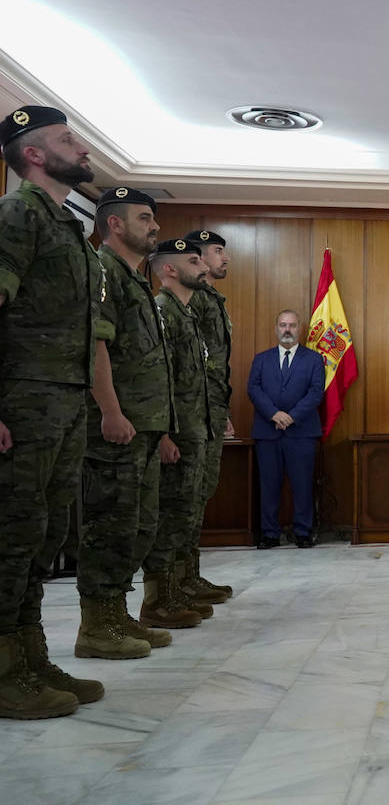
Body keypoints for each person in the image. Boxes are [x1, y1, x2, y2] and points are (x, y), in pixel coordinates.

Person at [0, 105, 105, 719]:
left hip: (62, 403)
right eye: (68, 139)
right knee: (11, 540)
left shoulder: (62, 222)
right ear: (34, 153)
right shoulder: (17, 214)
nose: (83, 147)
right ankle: (7, 670)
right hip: (24, 401)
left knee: (42, 537)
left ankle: (31, 658)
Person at [75, 188, 174, 660]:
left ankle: (116, 616)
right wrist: (111, 411)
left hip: (143, 429)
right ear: (115, 224)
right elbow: (95, 346)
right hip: (116, 428)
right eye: (144, 218)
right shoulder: (104, 272)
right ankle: (96, 627)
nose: (154, 227)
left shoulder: (134, 281)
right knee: (109, 528)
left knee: (136, 527)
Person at [140, 238, 216, 630]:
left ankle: (177, 588)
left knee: (186, 511)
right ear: (169, 269)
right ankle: (159, 599)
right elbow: (160, 377)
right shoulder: (163, 311)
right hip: (176, 431)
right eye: (193, 260)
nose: (203, 266)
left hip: (194, 427)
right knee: (169, 514)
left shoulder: (186, 313)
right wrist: (166, 433)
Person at [247, 310, 324, 549]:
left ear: (299, 328)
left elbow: (315, 392)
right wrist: (274, 414)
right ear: (276, 328)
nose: (287, 330)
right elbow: (254, 389)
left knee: (302, 485)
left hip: (301, 432)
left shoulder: (313, 359)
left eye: (291, 325)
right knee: (269, 485)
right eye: (283, 325)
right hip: (268, 432)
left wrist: (291, 417)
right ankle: (270, 533)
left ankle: (303, 532)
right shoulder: (261, 359)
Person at [188, 230, 235, 600]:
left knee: (200, 492)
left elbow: (215, 366)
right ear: (197, 256)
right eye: (218, 251)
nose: (225, 258)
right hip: (192, 411)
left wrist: (222, 411)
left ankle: (188, 575)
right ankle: (175, 583)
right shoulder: (191, 300)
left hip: (210, 408)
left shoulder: (211, 298)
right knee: (186, 495)